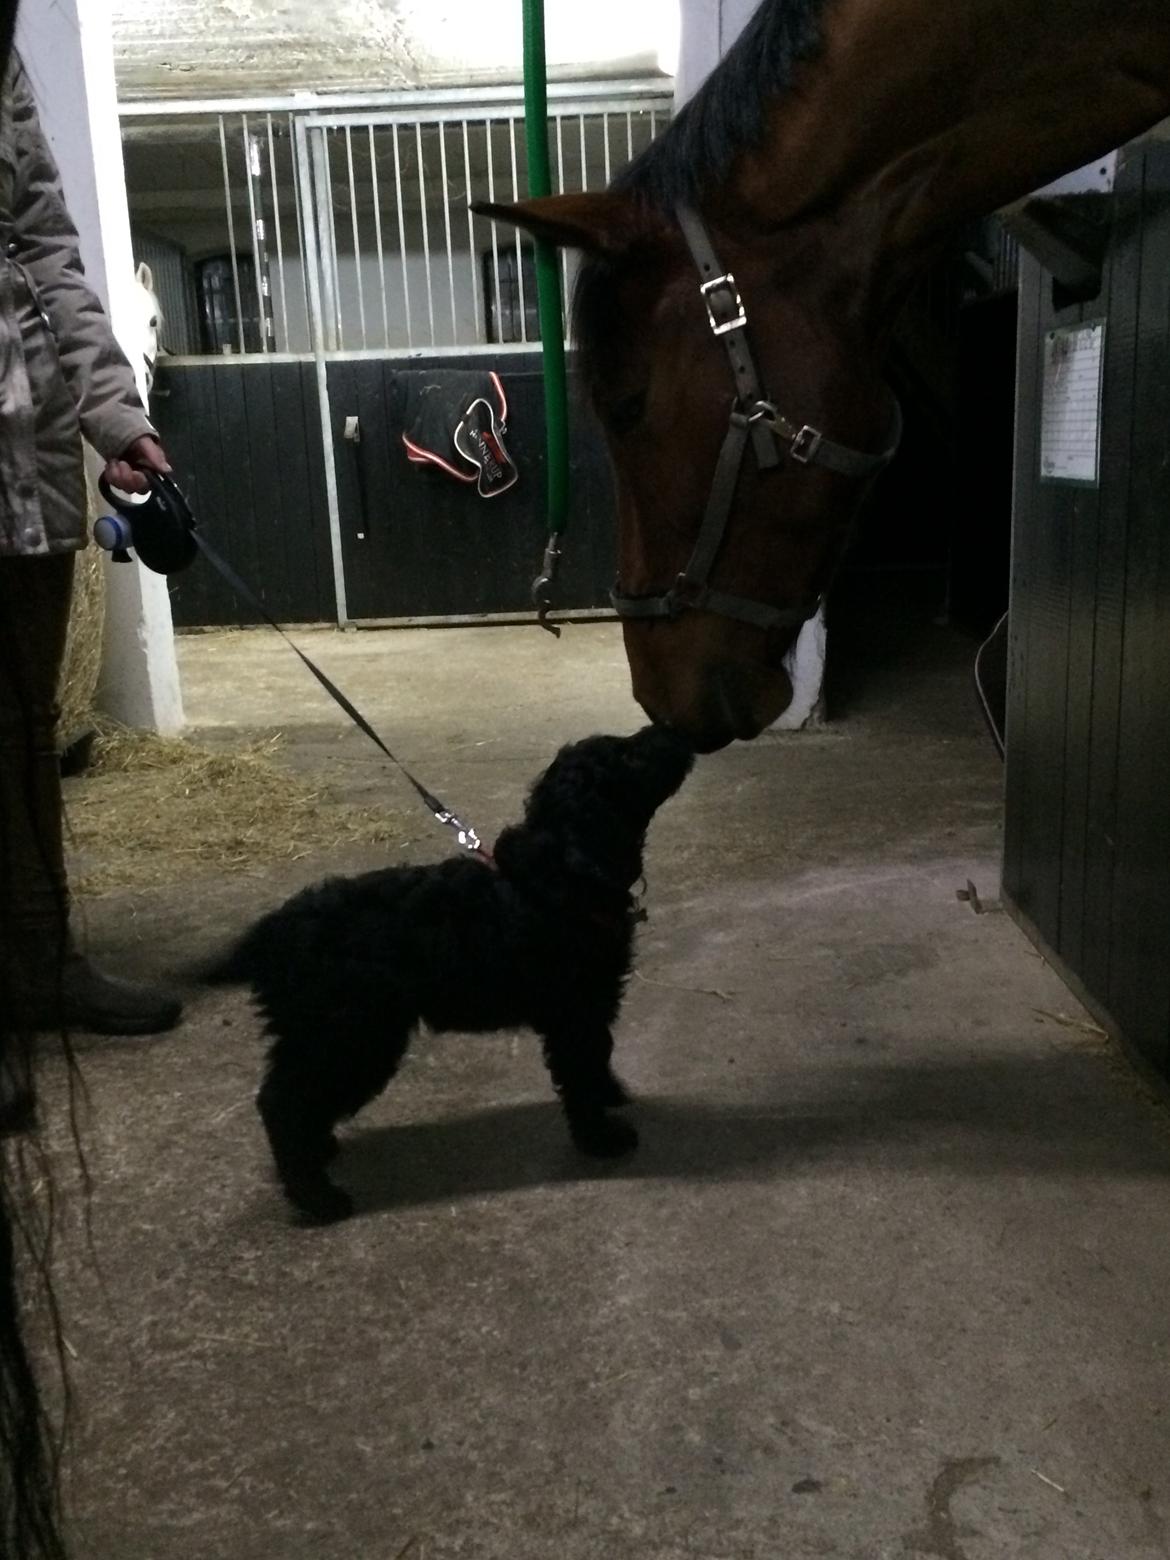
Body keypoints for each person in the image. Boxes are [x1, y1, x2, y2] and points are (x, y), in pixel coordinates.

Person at [0, 48, 181, 1035]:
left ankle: (42, 958)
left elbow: (46, 253)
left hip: (20, 458)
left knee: (26, 726)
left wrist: (114, 417)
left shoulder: (8, 68)